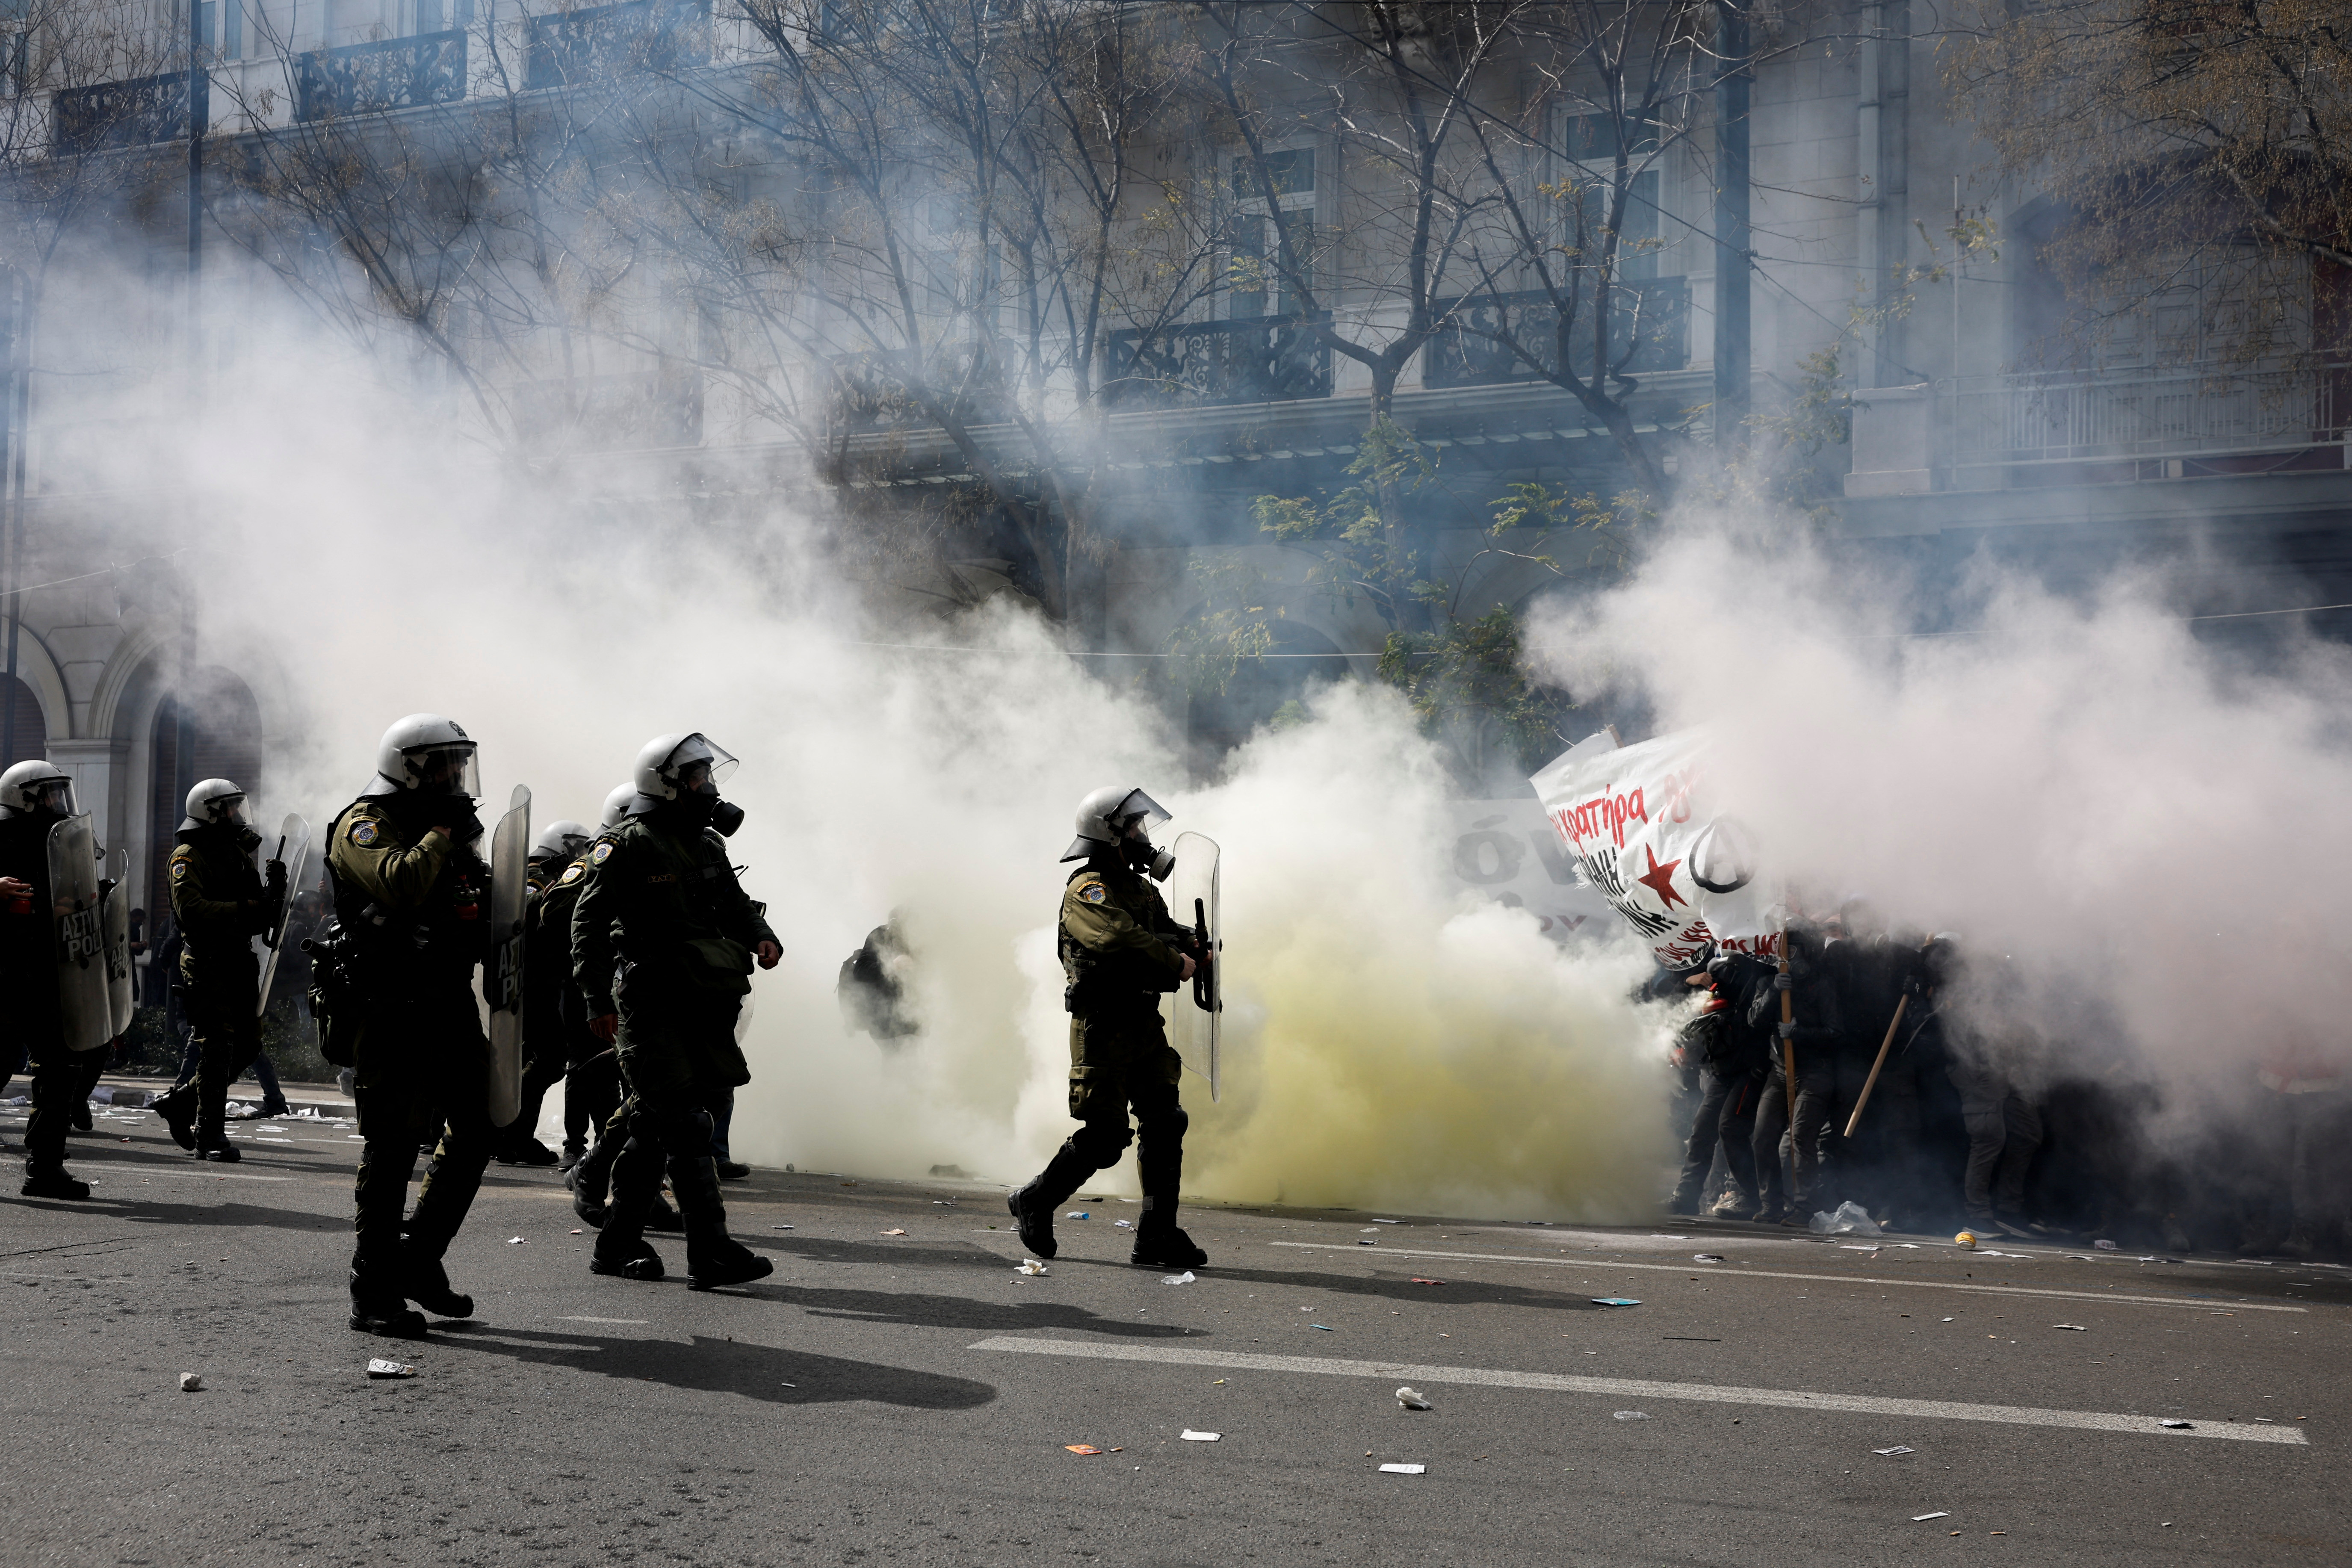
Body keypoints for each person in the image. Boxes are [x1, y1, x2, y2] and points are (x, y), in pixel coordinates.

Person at [570, 733, 778, 1288]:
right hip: (648, 1001)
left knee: (657, 1127)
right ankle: (710, 1250)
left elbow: (735, 905)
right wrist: (595, 999)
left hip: (699, 1001)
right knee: (686, 1124)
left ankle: (616, 1242)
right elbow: (587, 924)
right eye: (696, 777)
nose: (707, 786)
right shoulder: (626, 843)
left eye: (709, 775)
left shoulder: (707, 843)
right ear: (665, 783)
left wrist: (763, 937)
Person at [326, 714, 498, 1339]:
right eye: (443, 763)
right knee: (394, 1146)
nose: (456, 774)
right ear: (409, 765)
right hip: (389, 1006)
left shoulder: (449, 834)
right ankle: (372, 1288)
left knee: (480, 1126)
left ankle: (420, 1259)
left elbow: (474, 905)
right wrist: (442, 833)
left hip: (447, 1001)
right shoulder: (363, 823)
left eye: (461, 761)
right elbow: (398, 882)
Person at [1007, 785, 1209, 1270]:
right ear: (1111, 835)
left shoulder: (1141, 889)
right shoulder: (1087, 889)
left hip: (1143, 1021)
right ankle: (1034, 1200)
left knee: (1166, 1120)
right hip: (1103, 1025)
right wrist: (1174, 960)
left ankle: (1157, 1233)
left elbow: (1164, 929)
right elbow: (1118, 936)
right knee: (1106, 1137)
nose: (1144, 836)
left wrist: (1197, 948)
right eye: (1135, 828)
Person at [148, 780, 287, 1160]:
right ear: (211, 812)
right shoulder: (187, 856)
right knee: (218, 1047)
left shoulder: (238, 854)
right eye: (231, 808)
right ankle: (209, 1135)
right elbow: (192, 909)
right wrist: (245, 907)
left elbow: (258, 917)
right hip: (207, 960)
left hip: (239, 959)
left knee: (247, 1045)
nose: (238, 815)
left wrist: (274, 895)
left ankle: (181, 1102)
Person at [1, 759, 109, 1198]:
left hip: (47, 973)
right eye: (49, 794)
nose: (57, 802)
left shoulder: (62, 841)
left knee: (62, 1066)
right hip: (4, 974)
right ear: (25, 797)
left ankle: (44, 1167)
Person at [496, 818, 594, 1167]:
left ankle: (509, 1136)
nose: (583, 855)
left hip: (534, 983)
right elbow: (533, 916)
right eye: (580, 847)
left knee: (530, 1059)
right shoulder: (536, 876)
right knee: (551, 1059)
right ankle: (511, 1133)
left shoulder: (537, 871)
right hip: (531, 984)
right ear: (564, 845)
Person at [1738, 922, 1844, 1225]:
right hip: (1781, 1070)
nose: (1788, 958)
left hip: (1814, 1073)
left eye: (1794, 951)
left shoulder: (1823, 985)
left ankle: (1804, 1207)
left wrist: (1801, 1032)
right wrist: (1774, 991)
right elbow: (1755, 1020)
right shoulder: (1768, 983)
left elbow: (1837, 1032)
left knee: (1801, 1138)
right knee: (1762, 1137)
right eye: (1785, 952)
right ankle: (1771, 1204)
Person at [1669, 963, 1767, 1219]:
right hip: (1723, 1068)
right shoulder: (1720, 971)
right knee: (1702, 1130)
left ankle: (1748, 1197)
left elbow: (1759, 1018)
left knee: (1731, 1128)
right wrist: (1688, 983)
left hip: (1753, 1068)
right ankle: (1686, 1197)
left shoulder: (1766, 974)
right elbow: (1684, 1007)